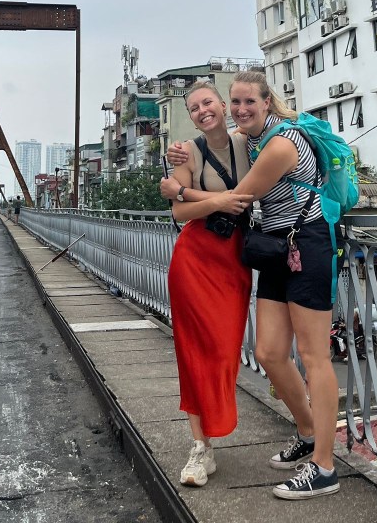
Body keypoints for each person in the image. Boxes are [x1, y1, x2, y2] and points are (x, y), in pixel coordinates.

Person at [167, 70, 342, 500]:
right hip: (277, 247)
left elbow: (238, 199)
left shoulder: (280, 144)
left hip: (309, 243)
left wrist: (179, 192)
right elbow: (213, 158)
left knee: (314, 356)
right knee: (268, 352)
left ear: (267, 102)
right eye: (237, 102)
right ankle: (307, 432)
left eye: (249, 102)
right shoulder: (254, 139)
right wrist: (176, 170)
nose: (242, 109)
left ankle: (324, 466)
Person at [159, 81, 254, 488]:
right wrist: (217, 201)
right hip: (194, 259)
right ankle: (201, 447)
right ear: (191, 116)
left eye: (208, 102)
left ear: (223, 105)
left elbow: (183, 196)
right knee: (193, 351)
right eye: (195, 107)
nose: (203, 110)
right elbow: (179, 212)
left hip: (234, 260)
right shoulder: (188, 151)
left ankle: (216, 427)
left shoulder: (249, 142)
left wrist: (186, 191)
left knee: (224, 349)